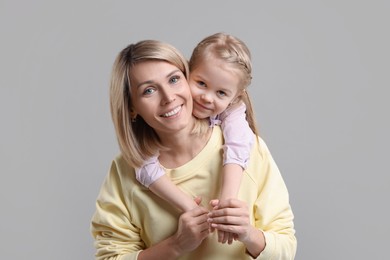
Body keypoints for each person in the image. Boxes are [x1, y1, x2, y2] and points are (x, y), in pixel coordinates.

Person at [91, 39, 297, 259]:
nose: (169, 98)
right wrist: (176, 246)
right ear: (132, 108)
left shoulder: (249, 148)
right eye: (149, 90)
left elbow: (286, 249)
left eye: (173, 79)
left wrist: (248, 234)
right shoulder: (124, 173)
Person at [135, 32, 259, 245]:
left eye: (221, 93)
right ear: (187, 71)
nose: (207, 97)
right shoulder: (164, 117)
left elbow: (237, 145)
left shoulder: (233, 115)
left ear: (234, 98)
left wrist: (227, 201)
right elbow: (142, 163)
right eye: (201, 83)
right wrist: (190, 207)